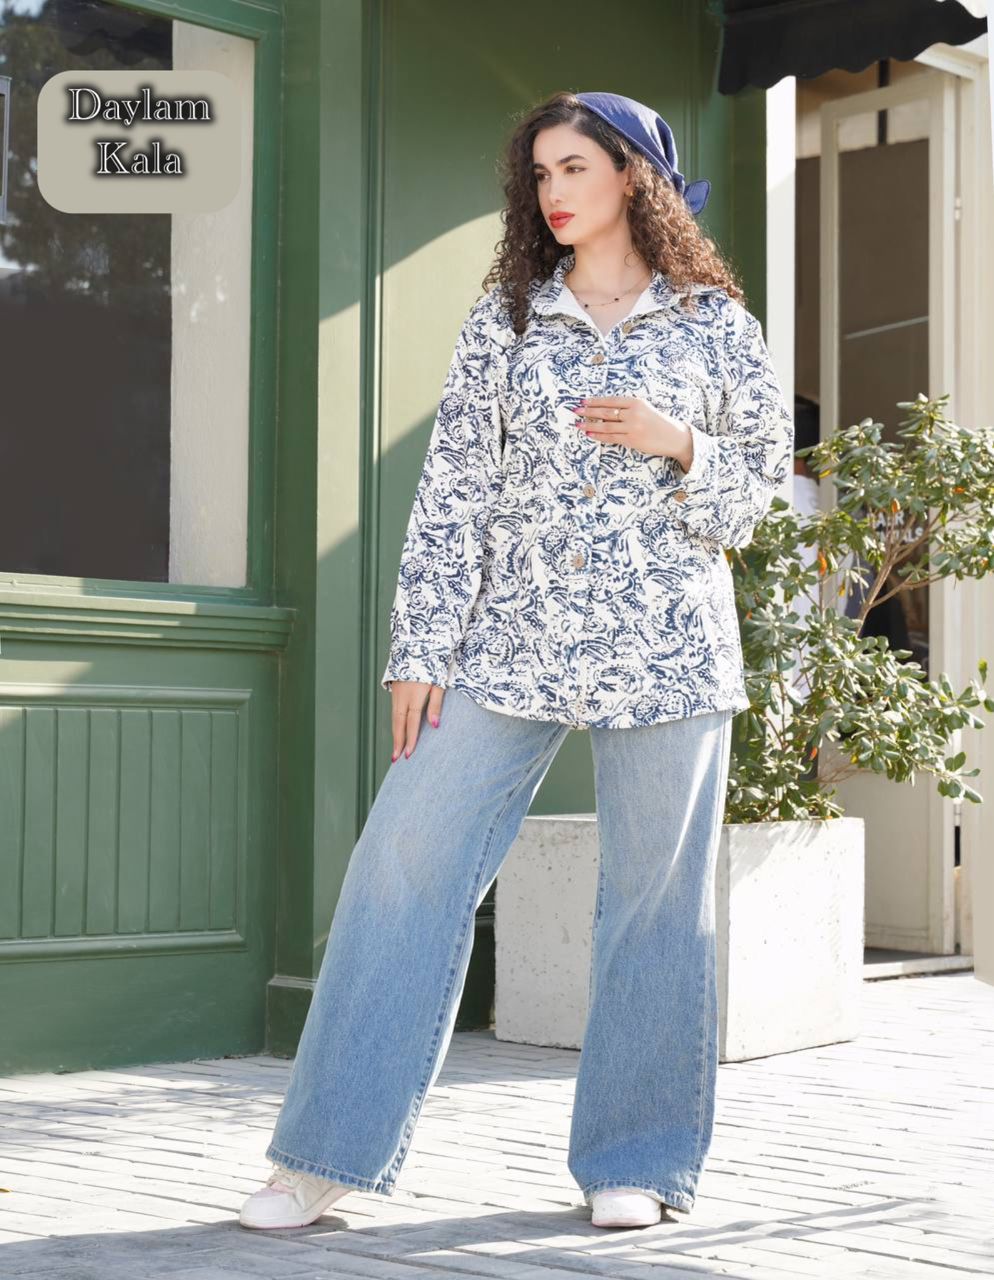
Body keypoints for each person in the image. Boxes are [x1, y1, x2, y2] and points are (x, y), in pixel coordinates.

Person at [239, 89, 794, 1234]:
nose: (552, 191)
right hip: (508, 640)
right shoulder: (508, 319)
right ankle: (322, 1155)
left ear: (633, 175)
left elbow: (756, 502)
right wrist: (420, 649)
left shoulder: (715, 327)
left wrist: (680, 442)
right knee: (402, 865)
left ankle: (636, 1159)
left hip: (669, 648)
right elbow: (452, 495)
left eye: (574, 167)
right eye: (539, 173)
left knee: (655, 905)